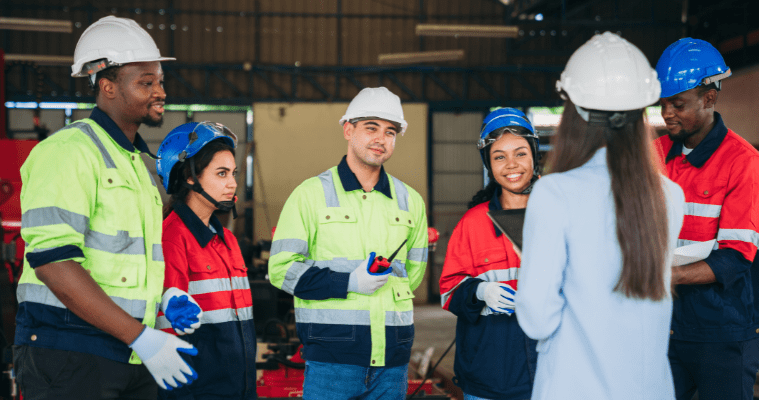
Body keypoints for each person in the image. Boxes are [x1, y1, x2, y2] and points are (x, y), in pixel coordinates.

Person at [13, 15, 198, 399]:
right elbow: (53, 263)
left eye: (160, 81)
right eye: (145, 83)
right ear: (108, 87)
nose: (160, 91)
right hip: (69, 353)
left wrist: (164, 298)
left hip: (127, 351)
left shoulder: (136, 164)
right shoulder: (68, 152)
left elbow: (124, 261)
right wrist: (142, 337)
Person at [515, 32, 685, 400]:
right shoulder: (671, 197)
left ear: (574, 114)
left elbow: (536, 316)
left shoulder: (555, 194)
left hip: (574, 388)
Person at [268, 86, 428, 400]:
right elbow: (281, 270)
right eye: (371, 128)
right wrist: (349, 282)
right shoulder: (309, 195)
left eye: (390, 132)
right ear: (348, 130)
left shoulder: (411, 201)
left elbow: (413, 274)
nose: (381, 139)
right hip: (332, 360)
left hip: (392, 362)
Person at [655, 37, 759, 400]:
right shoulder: (655, 154)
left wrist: (659, 277)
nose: (667, 114)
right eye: (662, 104)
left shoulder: (747, 166)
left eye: (678, 103)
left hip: (725, 330)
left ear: (709, 98)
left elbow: (733, 260)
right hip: (666, 325)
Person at [438, 108, 540, 400]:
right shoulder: (473, 223)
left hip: (552, 371)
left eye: (520, 153)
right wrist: (479, 291)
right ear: (488, 164)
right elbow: (448, 292)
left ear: (534, 155)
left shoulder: (560, 214)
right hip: (490, 376)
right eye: (499, 156)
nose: (511, 165)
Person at [154, 121, 257, 400]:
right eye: (221, 173)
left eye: (233, 173)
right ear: (190, 177)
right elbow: (170, 319)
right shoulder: (171, 237)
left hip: (240, 387)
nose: (233, 183)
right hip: (197, 390)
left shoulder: (228, 240)